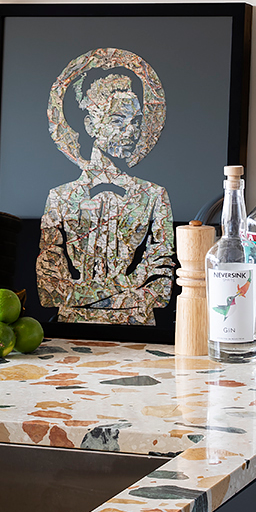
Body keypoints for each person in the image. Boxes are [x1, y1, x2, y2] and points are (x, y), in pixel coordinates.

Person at [37, 71, 175, 326]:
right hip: (69, 331)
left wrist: (82, 296)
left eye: (135, 121)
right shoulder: (60, 197)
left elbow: (161, 290)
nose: (130, 131)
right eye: (118, 120)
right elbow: (49, 290)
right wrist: (129, 286)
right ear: (90, 126)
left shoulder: (155, 196)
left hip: (139, 331)